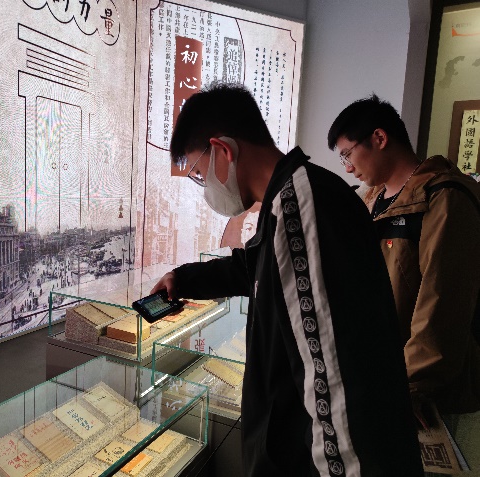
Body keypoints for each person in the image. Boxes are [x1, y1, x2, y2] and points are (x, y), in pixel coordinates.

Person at [152, 83, 422, 476]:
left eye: (199, 172)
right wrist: (183, 280)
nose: (205, 186)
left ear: (223, 150)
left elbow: (336, 383)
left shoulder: (302, 205)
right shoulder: (289, 200)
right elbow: (255, 266)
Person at [328, 94, 480, 472]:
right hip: (384, 382)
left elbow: (441, 304)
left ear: (379, 138)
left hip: (428, 390)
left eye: (347, 154)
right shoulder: (372, 201)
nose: (348, 167)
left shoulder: (444, 197)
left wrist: (409, 386)